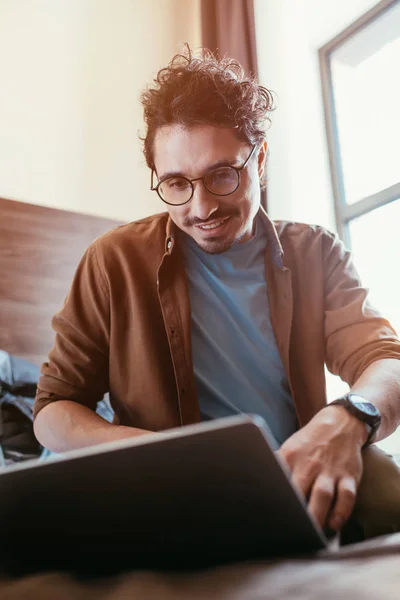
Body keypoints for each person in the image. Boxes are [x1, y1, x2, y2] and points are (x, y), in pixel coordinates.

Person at [33, 47, 400, 539]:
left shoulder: (316, 252)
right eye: (177, 184)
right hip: (165, 488)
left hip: (294, 476)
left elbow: (386, 361)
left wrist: (347, 419)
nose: (201, 207)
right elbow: (54, 410)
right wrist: (162, 456)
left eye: (222, 175)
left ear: (260, 159)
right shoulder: (112, 259)